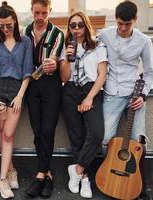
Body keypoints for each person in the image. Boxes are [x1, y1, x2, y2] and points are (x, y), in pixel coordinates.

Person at [98, 1, 153, 200]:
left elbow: (149, 73)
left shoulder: (144, 41)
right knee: (106, 139)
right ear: (116, 19)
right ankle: (110, 179)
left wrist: (143, 95)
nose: (122, 28)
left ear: (135, 20)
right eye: (120, 23)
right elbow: (88, 48)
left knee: (139, 141)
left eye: (127, 24)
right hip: (112, 93)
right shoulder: (104, 34)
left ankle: (141, 185)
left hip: (134, 94)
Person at [0, 2, 33, 199]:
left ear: (15, 22)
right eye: (1, 25)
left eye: (8, 25)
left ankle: (1, 179)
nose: (4, 29)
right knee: (4, 134)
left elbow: (27, 72)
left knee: (8, 135)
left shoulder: (26, 42)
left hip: (16, 90)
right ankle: (11, 172)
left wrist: (20, 96)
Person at [59, 11, 107, 199]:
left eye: (80, 25)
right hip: (70, 91)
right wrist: (67, 58)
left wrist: (89, 98)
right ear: (69, 28)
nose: (77, 29)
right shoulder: (65, 47)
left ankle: (77, 170)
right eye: (73, 26)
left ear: (86, 25)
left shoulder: (98, 45)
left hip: (90, 89)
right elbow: (63, 77)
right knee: (76, 137)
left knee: (96, 133)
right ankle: (85, 179)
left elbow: (102, 75)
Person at [24, 0, 65, 198]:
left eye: (44, 13)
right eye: (37, 13)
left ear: (50, 11)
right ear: (31, 11)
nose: (40, 17)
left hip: (51, 86)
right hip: (31, 85)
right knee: (37, 130)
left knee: (48, 130)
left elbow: (56, 57)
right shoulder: (25, 32)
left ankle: (40, 175)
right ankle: (47, 174)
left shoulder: (57, 33)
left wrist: (54, 63)